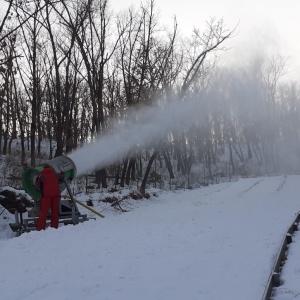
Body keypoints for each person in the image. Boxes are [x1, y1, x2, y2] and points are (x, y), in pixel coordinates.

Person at [35, 165, 63, 231]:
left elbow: (37, 186)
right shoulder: (55, 174)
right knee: (55, 212)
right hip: (56, 195)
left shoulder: (41, 175)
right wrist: (62, 173)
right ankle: (54, 227)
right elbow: (61, 179)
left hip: (46, 196)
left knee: (43, 213)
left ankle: (40, 229)